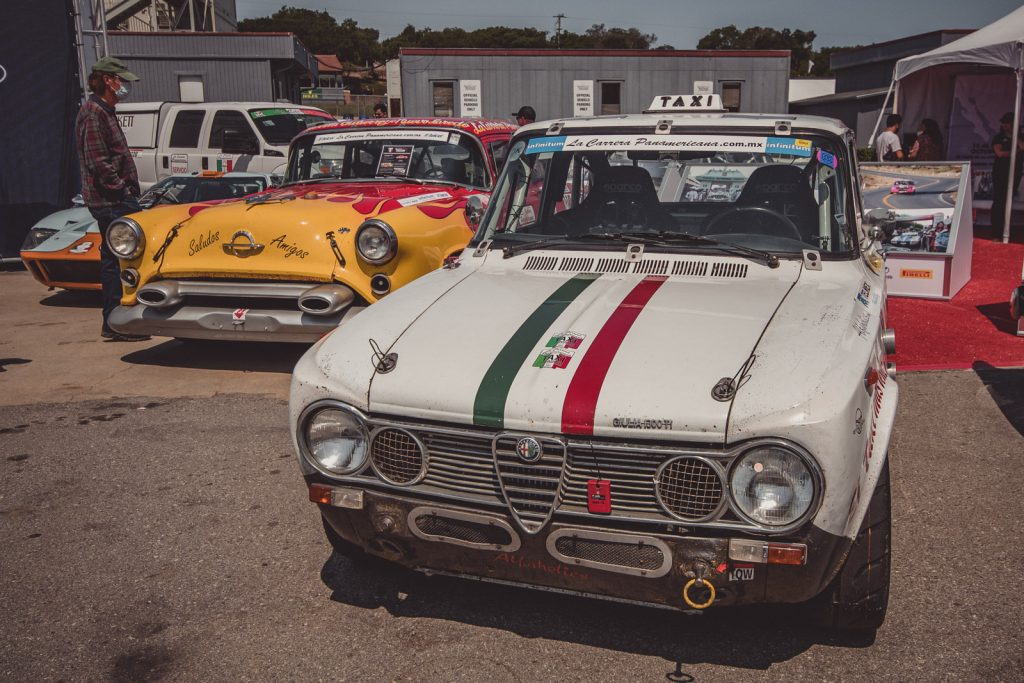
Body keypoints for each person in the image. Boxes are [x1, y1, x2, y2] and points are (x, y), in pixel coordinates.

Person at [75, 56, 149, 342]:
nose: (123, 86)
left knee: (113, 257)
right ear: (108, 79)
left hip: (114, 197)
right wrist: (122, 190)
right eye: (120, 80)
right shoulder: (94, 112)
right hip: (110, 200)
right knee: (125, 257)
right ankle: (119, 320)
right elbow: (98, 161)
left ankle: (114, 321)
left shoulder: (104, 111)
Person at [990, 111, 1024, 235]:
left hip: (1015, 172)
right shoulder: (999, 137)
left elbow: (1023, 147)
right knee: (999, 200)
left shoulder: (1019, 136)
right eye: (1003, 123)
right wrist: (1014, 152)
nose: (1005, 125)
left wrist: (1015, 136)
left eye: (1008, 123)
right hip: (1000, 172)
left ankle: (1007, 229)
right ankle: (996, 231)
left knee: (1009, 200)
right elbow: (999, 153)